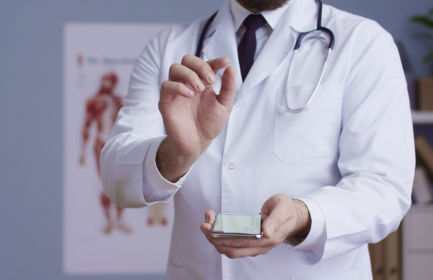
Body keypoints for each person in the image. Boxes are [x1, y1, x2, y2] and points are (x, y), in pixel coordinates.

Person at [100, 0, 415, 278]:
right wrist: (179, 152)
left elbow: (385, 187)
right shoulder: (168, 47)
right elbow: (117, 175)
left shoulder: (363, 43)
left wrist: (302, 216)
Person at [79, 72, 131, 235]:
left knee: (121, 185)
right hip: (102, 144)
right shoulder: (94, 101)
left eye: (112, 82)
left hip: (119, 144)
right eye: (107, 81)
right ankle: (109, 221)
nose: (109, 85)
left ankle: (119, 221)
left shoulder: (118, 100)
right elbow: (87, 125)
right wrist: (82, 151)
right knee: (106, 185)